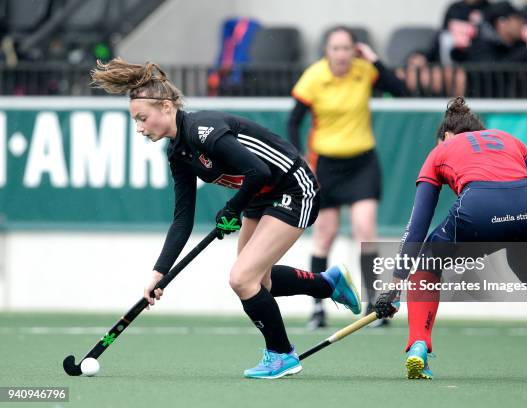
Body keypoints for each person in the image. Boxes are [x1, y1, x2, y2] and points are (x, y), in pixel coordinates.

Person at [90, 58, 362, 379]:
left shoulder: (202, 130)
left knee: (241, 278)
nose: (139, 128)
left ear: (165, 106)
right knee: (259, 281)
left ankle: (282, 354)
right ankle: (327, 283)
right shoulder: (178, 153)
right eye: (135, 121)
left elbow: (257, 170)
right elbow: (182, 219)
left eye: (142, 118)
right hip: (261, 197)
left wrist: (232, 209)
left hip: (293, 186)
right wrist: (158, 273)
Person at [374, 97, 527, 381]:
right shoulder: (508, 139)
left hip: (480, 211)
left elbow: (417, 226)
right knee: (526, 266)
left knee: (428, 260)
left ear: (446, 136)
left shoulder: (442, 150)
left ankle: (418, 346)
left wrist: (396, 285)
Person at [287, 26, 406, 329]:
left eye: (346, 48)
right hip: (325, 166)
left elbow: (402, 90)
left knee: (365, 230)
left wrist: (375, 60)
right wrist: (301, 159)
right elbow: (294, 121)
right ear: (327, 51)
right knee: (324, 236)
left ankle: (374, 304)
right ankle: (317, 307)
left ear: (355, 50)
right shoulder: (314, 76)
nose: (341, 54)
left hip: (362, 163)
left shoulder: (364, 71)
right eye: (335, 48)